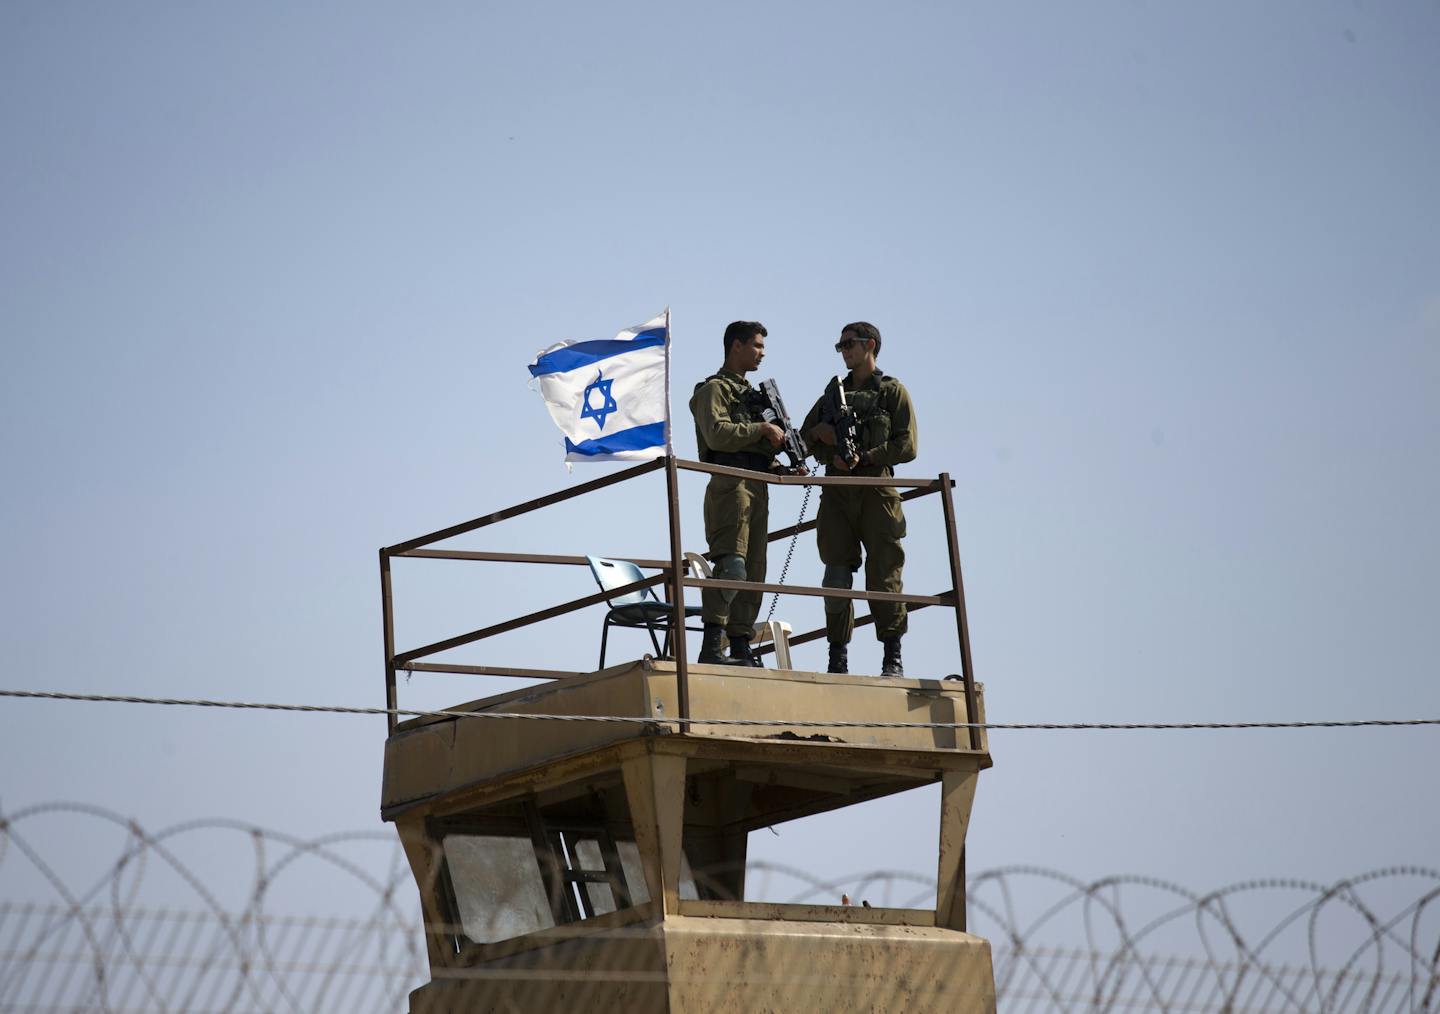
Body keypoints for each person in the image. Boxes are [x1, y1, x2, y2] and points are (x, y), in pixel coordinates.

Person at [800, 322, 917, 676]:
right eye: (840, 345)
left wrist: (864, 457)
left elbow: (907, 446)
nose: (843, 350)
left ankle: (891, 656)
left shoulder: (891, 392)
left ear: (870, 345)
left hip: (875, 490)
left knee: (884, 575)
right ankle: (838, 656)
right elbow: (805, 438)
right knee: (836, 575)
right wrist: (823, 439)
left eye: (849, 344)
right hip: (837, 492)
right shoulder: (833, 395)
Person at [689, 321, 785, 665]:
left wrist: (781, 467)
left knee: (754, 571)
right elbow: (717, 436)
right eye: (756, 345)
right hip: (730, 486)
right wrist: (761, 428)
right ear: (736, 346)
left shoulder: (752, 395)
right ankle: (712, 646)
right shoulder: (713, 390)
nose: (761, 353)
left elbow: (753, 449)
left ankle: (741, 645)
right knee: (733, 567)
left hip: (757, 486)